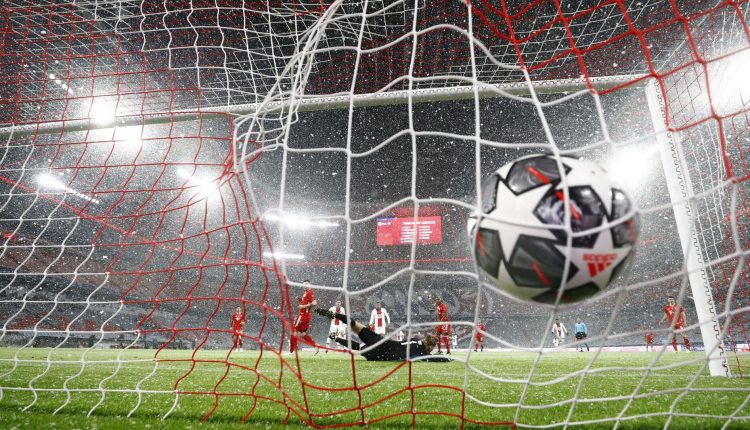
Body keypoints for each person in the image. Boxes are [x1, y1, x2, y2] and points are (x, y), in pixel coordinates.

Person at [314, 308, 440, 361]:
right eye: (432, 348)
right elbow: (434, 358)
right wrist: (446, 358)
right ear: (429, 346)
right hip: (382, 355)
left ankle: (333, 315)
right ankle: (336, 338)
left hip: (382, 341)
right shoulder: (421, 352)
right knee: (358, 347)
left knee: (355, 325)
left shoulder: (415, 340)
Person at [290, 280, 317, 354]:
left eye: (306, 284)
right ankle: (315, 346)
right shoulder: (306, 293)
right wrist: (300, 300)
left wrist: (303, 306)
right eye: (304, 284)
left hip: (303, 315)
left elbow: (314, 303)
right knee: (302, 334)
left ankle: (292, 351)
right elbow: (307, 302)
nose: (305, 286)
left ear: (310, 285)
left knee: (294, 331)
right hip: (304, 315)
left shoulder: (310, 292)